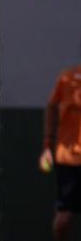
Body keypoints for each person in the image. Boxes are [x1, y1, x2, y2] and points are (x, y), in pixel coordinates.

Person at [38, 65, 81, 241]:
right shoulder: (66, 79)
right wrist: (47, 146)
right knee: (62, 221)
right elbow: (51, 108)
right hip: (69, 158)